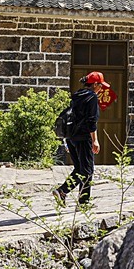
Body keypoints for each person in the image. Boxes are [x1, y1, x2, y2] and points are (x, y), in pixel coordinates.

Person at [53, 72, 103, 207]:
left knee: (80, 168)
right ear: (95, 84)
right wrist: (95, 140)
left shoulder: (77, 95)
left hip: (72, 137)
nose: (101, 89)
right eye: (100, 85)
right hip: (84, 137)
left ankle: (62, 192)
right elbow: (91, 121)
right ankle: (83, 202)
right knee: (87, 170)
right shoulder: (91, 97)